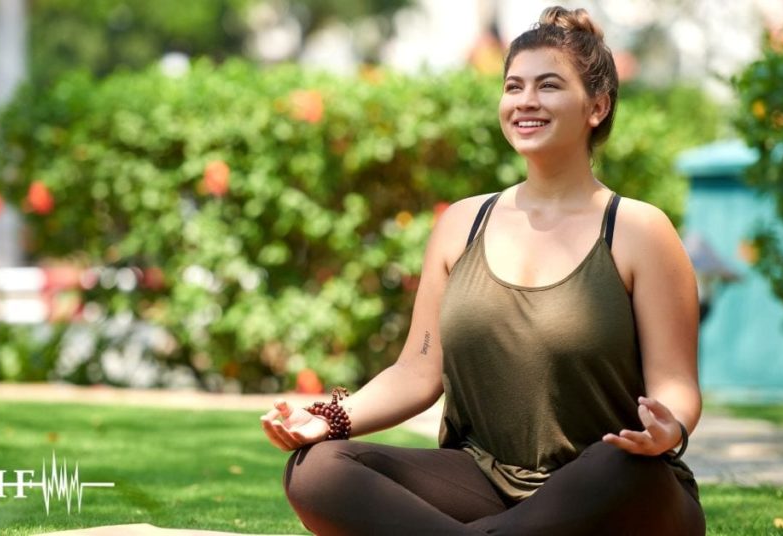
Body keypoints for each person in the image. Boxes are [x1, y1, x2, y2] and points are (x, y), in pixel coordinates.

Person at [260, 6, 706, 535]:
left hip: (606, 486)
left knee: (624, 467)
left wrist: (667, 428)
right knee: (318, 471)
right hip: (485, 486)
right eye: (513, 86)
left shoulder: (638, 230)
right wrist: (329, 419)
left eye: (548, 86)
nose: (525, 102)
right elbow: (416, 372)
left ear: (597, 106)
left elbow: (676, 385)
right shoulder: (463, 224)